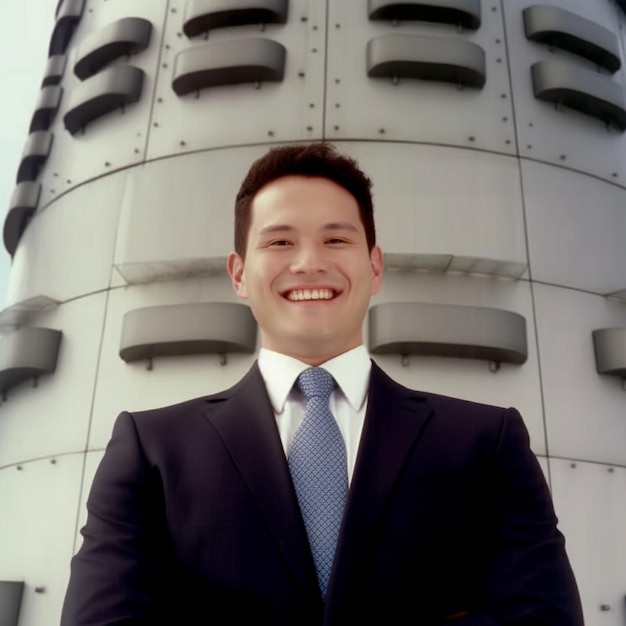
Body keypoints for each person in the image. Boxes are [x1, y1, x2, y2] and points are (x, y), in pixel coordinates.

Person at [61, 144, 584, 625]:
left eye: (336, 239)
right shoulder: (150, 450)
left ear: (375, 266)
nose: (309, 262)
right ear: (239, 273)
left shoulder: (486, 443)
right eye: (280, 240)